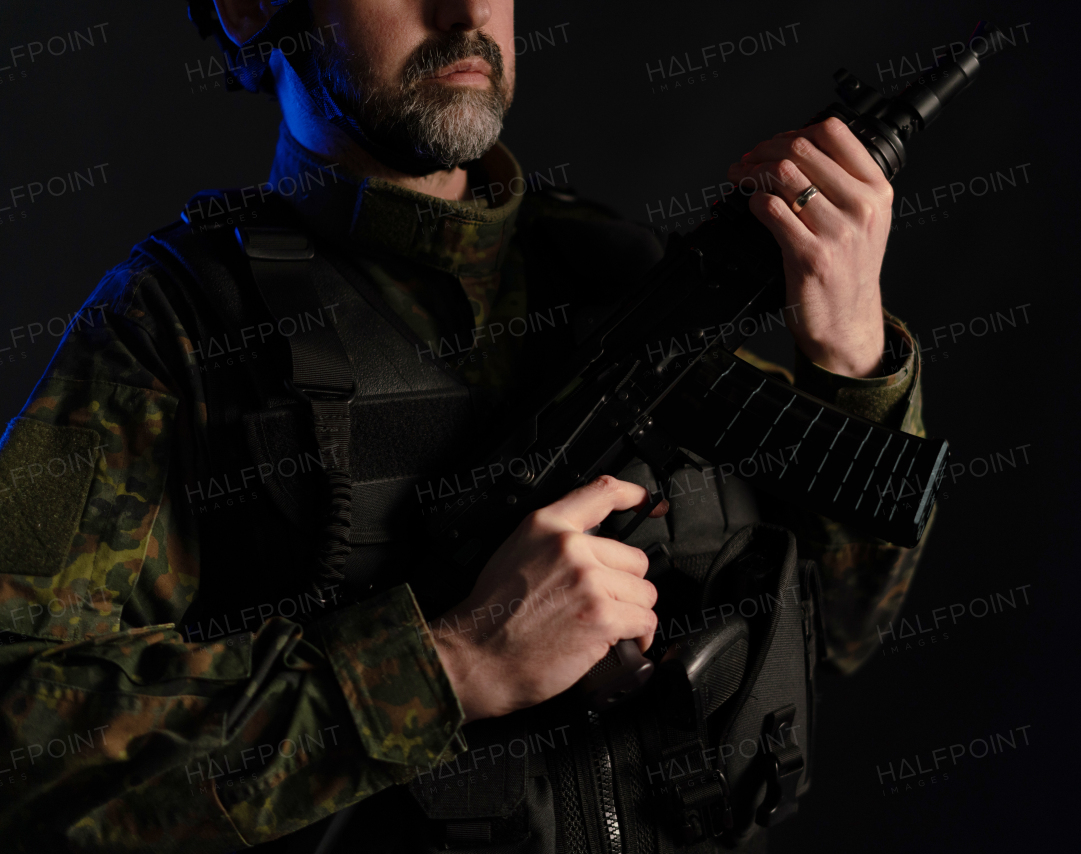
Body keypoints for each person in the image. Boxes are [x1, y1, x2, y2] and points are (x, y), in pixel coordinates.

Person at [0, 1, 931, 850]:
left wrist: (850, 361)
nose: (465, 12)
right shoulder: (171, 331)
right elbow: (20, 745)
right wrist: (449, 664)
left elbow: (839, 630)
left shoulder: (617, 271)